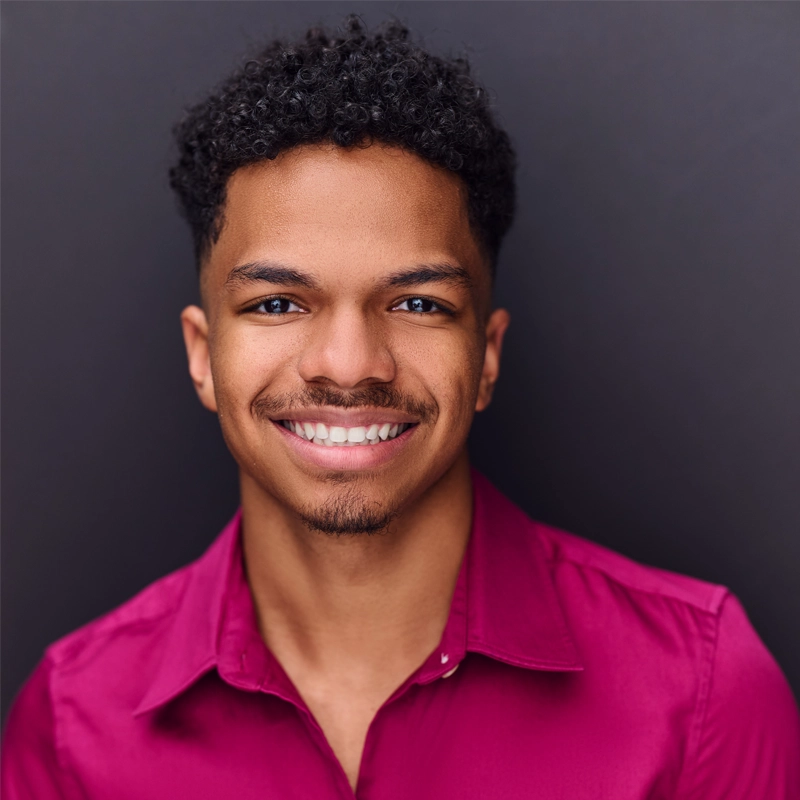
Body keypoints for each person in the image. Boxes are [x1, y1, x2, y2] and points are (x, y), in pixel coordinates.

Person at [3, 17, 798, 799]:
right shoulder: (75, 723)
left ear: (485, 356)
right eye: (279, 304)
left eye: (417, 304)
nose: (350, 367)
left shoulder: (699, 691)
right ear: (200, 355)